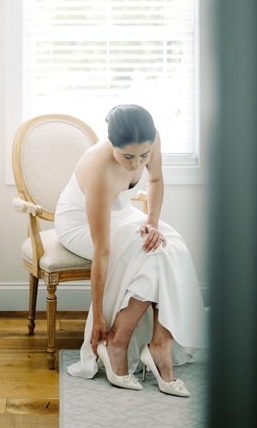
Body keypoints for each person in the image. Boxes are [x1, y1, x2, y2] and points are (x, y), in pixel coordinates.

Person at [56, 104, 205, 396]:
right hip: (81, 226)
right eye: (128, 157)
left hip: (124, 215)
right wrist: (98, 314)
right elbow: (101, 250)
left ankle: (160, 344)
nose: (137, 164)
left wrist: (152, 222)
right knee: (149, 253)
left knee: (172, 246)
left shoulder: (151, 140)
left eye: (143, 156)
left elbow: (156, 179)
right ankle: (117, 342)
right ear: (111, 143)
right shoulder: (98, 169)